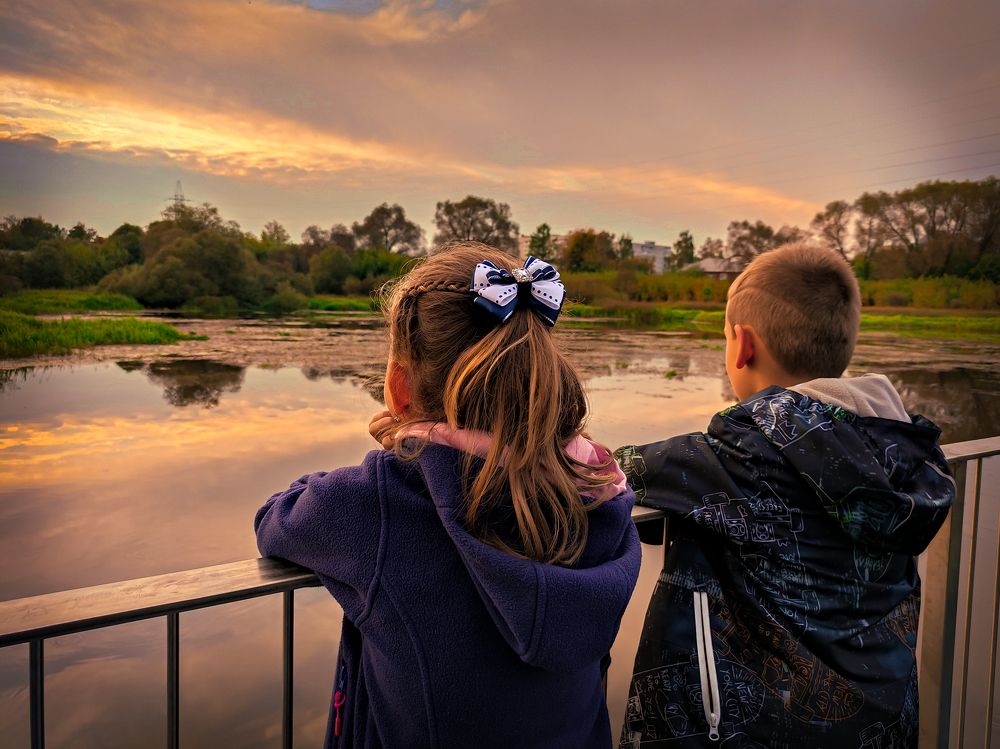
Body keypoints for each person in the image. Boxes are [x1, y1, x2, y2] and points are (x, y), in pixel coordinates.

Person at [255, 242, 642, 749]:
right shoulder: (598, 492)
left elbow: (276, 518)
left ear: (398, 386)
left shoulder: (381, 502)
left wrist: (406, 445)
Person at [615, 242, 955, 747]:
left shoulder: (743, 454)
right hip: (882, 724)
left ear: (742, 346)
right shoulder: (902, 453)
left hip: (758, 731)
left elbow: (607, 470)